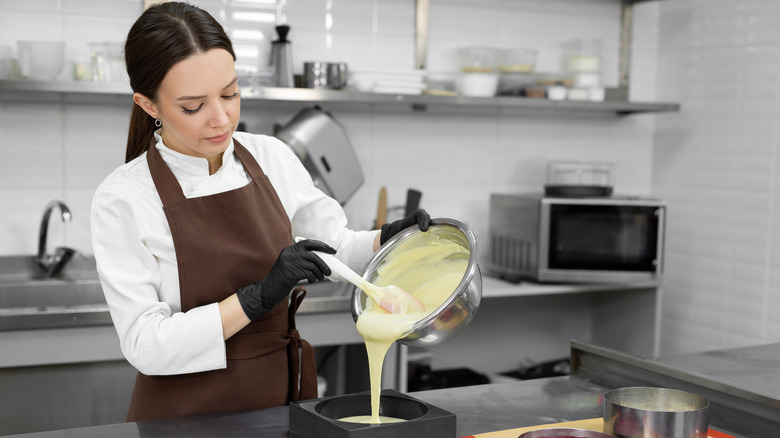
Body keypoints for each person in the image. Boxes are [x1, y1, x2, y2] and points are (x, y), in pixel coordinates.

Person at [90, 2, 430, 422]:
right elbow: (146, 344)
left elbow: (333, 247)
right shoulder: (124, 197)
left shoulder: (270, 156)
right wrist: (256, 297)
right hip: (183, 420)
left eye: (230, 94)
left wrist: (386, 240)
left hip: (278, 405)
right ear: (149, 105)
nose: (221, 119)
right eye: (193, 106)